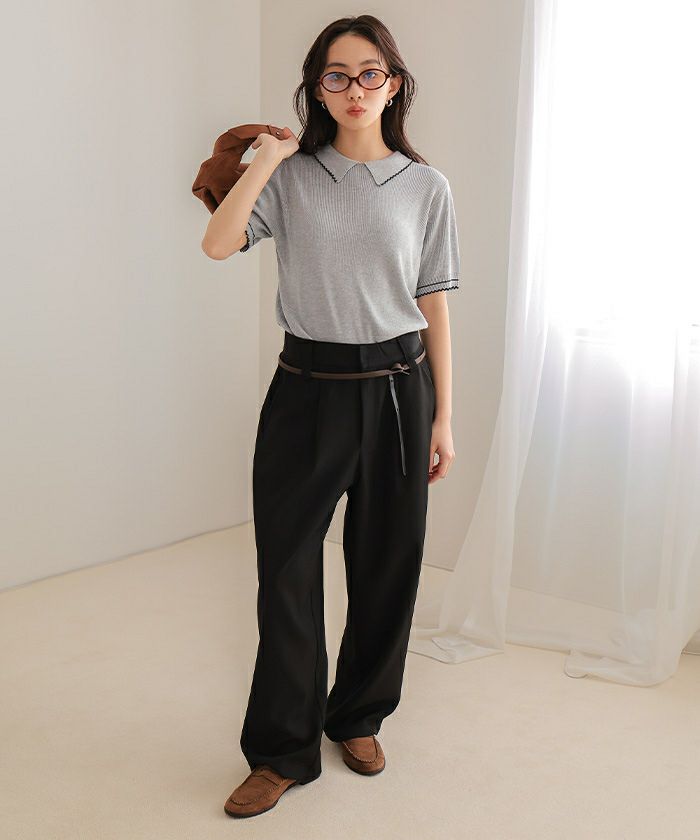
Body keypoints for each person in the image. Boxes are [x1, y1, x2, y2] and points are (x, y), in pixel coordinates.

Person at [202, 13, 459, 819]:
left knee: (388, 564)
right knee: (285, 570)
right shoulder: (292, 176)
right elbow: (217, 244)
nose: (355, 88)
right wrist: (267, 161)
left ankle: (358, 717)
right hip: (305, 391)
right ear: (317, 88)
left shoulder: (426, 187)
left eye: (369, 73)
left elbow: (434, 304)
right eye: (336, 75)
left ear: (394, 83)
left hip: (400, 390)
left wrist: (444, 418)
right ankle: (280, 751)